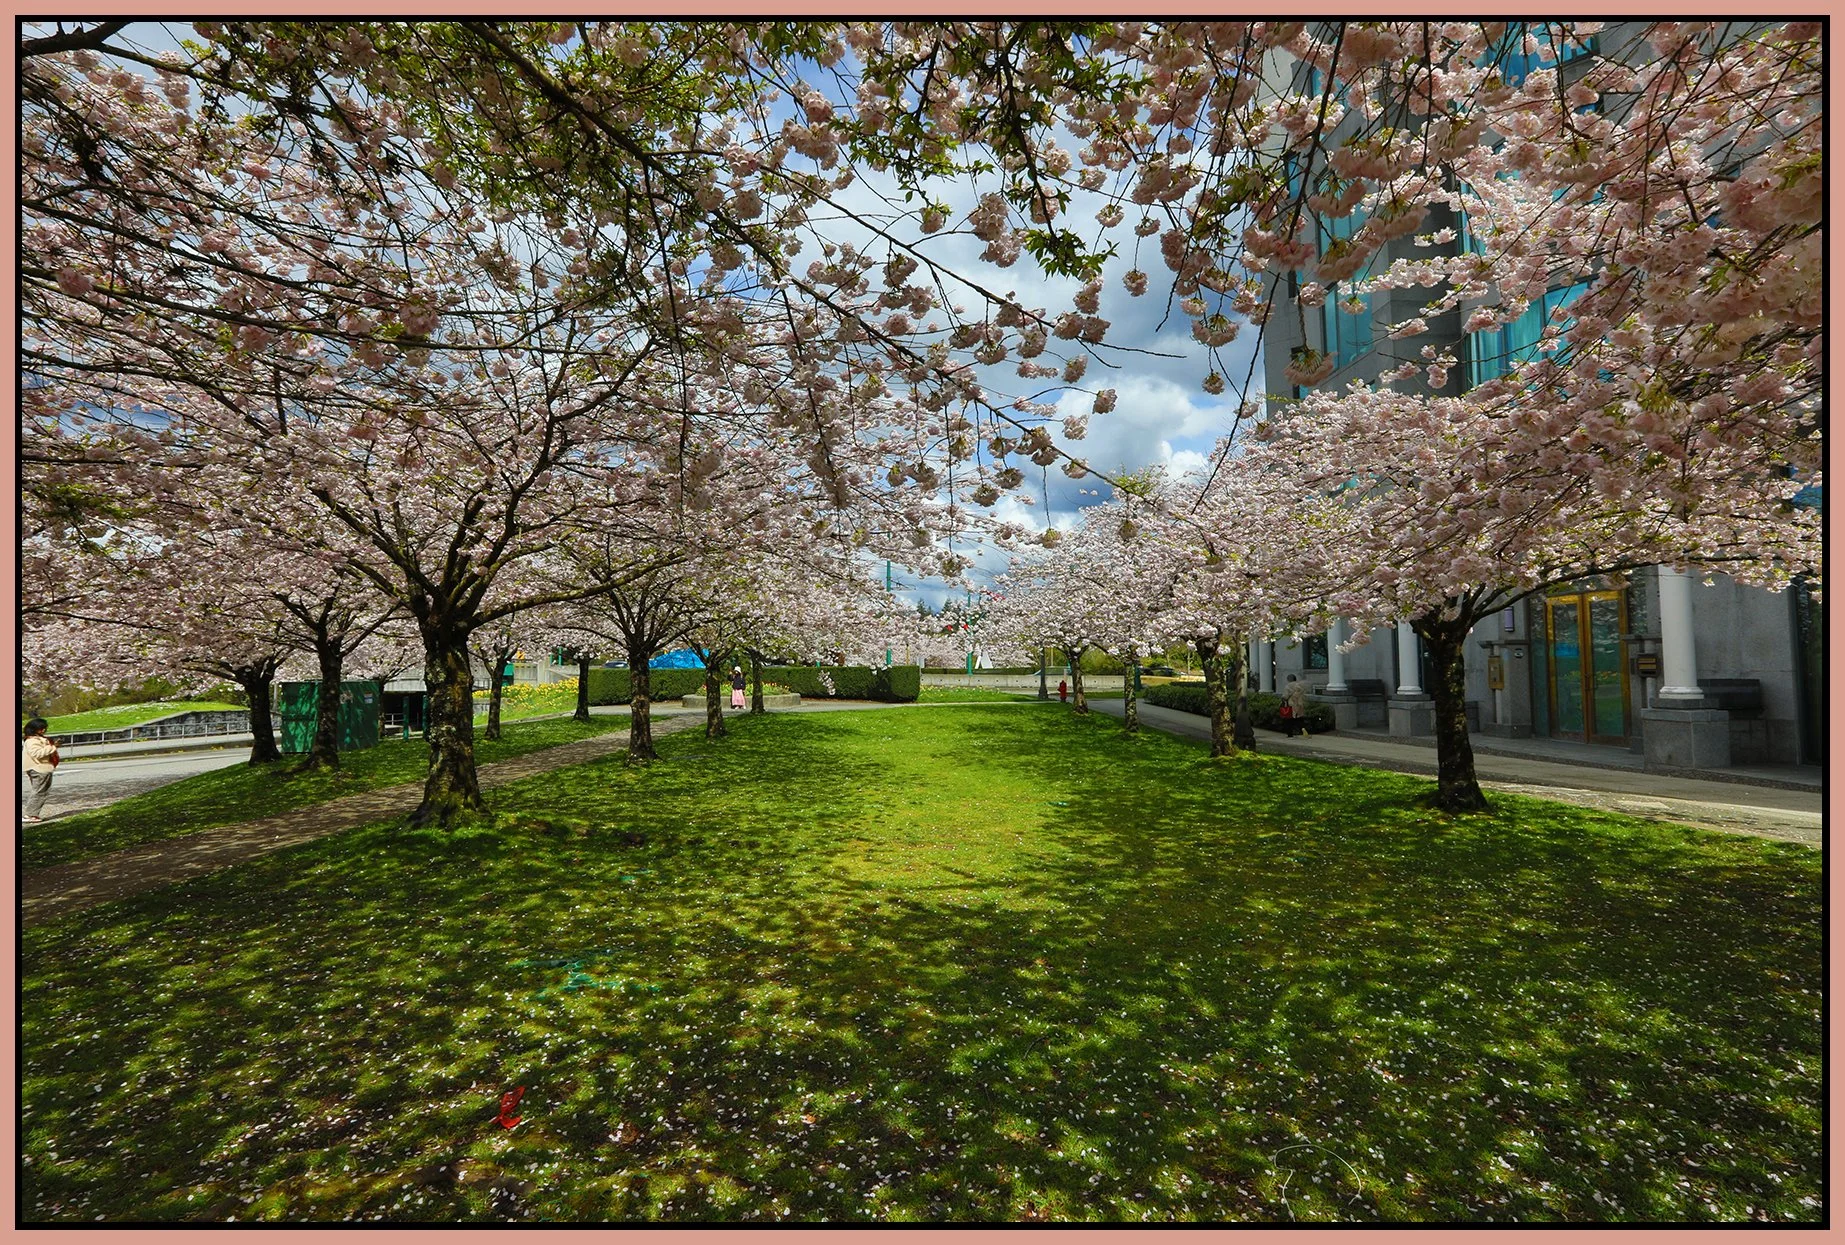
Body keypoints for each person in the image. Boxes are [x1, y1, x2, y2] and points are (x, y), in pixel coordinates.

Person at [21, 717, 59, 823]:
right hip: (39, 768)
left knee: (39, 791)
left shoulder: (35, 739)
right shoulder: (32, 741)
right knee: (39, 792)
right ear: (34, 729)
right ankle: (30, 814)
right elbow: (37, 754)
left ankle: (31, 814)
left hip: (39, 767)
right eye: (41, 728)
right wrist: (52, 747)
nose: (43, 730)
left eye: (44, 728)